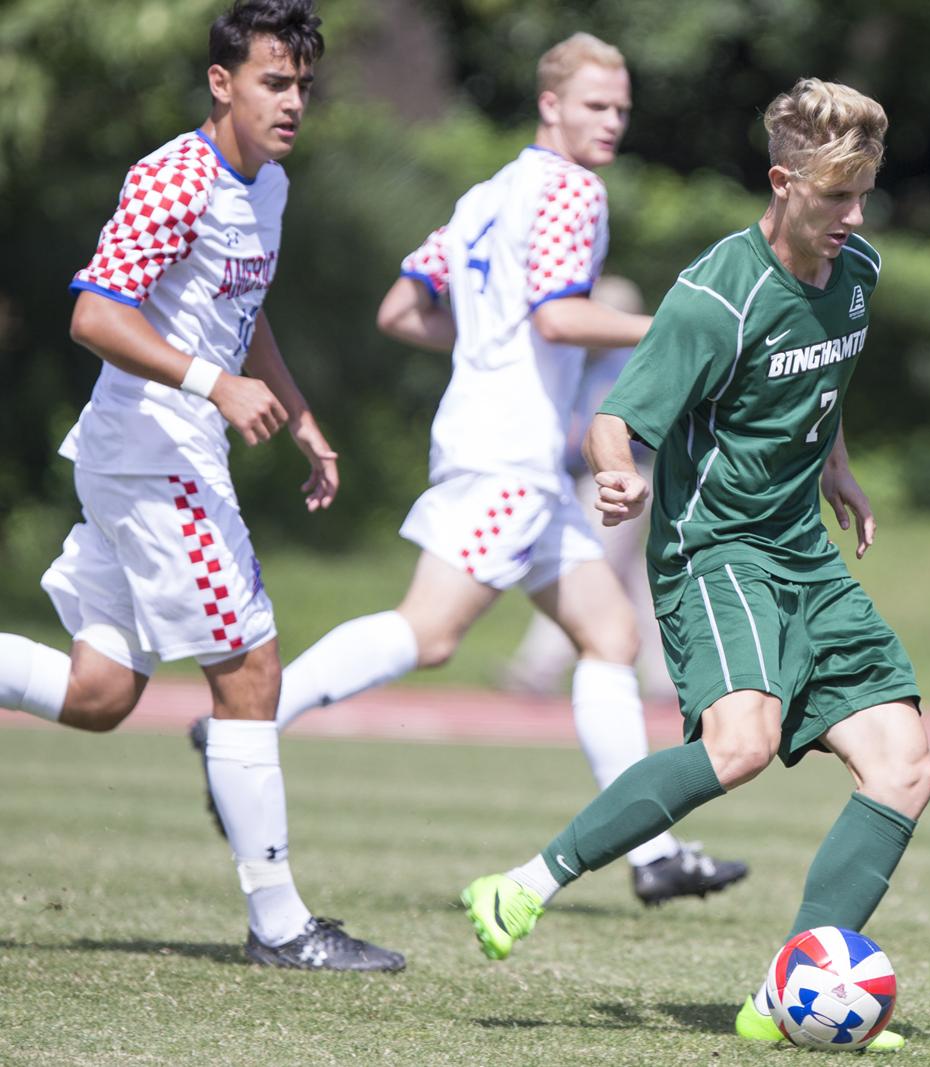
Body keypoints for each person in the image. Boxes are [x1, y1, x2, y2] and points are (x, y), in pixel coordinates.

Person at [193, 31, 747, 907]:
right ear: (551, 104)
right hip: (511, 458)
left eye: (622, 110)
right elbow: (562, 320)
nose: (612, 123)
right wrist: (680, 330)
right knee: (430, 631)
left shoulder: (490, 192)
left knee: (611, 636)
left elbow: (400, 310)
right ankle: (251, 714)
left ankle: (654, 851)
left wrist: (484, 347)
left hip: (495, 443)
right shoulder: (572, 190)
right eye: (597, 106)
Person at [458, 78, 930, 1052]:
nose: (855, 215)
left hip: (803, 551)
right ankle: (524, 880)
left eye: (864, 193)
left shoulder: (858, 270)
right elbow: (616, 418)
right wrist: (616, 478)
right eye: (837, 195)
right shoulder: (717, 294)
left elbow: (828, 370)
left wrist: (836, 466)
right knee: (740, 741)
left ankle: (789, 993)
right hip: (714, 549)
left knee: (905, 765)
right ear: (782, 181)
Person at [0, 0, 403, 972]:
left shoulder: (268, 186)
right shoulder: (176, 177)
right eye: (274, 80)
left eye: (303, 83)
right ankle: (280, 925)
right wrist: (213, 384)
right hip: (153, 455)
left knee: (101, 693)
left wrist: (298, 411)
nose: (293, 100)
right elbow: (96, 314)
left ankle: (279, 922)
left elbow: (242, 310)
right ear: (222, 83)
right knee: (252, 671)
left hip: (153, 452)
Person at [497, 275, 674, 703]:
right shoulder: (590, 362)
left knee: (580, 566)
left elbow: (610, 433)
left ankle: (537, 668)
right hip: (598, 480)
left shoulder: (628, 363)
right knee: (632, 583)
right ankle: (666, 678)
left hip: (619, 481)